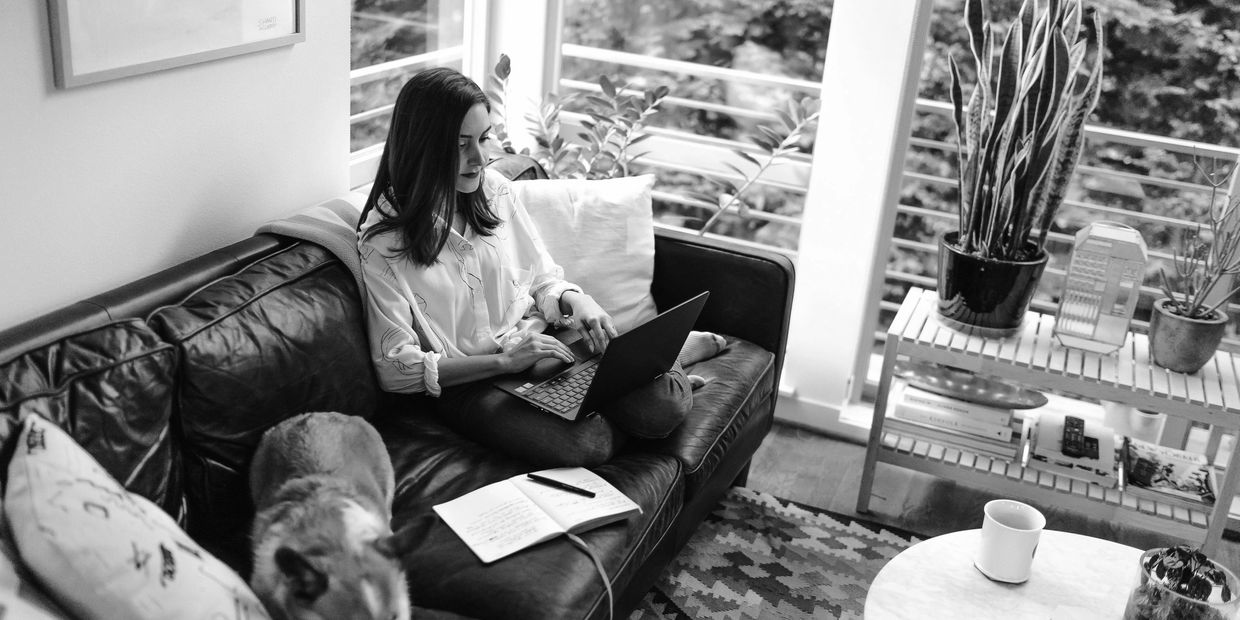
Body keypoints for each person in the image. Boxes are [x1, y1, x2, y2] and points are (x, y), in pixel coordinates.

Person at [356, 68, 722, 467]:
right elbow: (396, 369)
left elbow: (544, 279)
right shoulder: (383, 243)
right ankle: (650, 373)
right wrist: (504, 362)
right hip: (472, 384)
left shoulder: (494, 191)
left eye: (483, 137)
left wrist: (574, 300)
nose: (479, 158)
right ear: (421, 146)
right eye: (460, 145)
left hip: (543, 341)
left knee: (661, 407)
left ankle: (657, 368)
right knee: (588, 444)